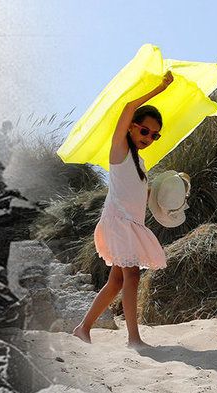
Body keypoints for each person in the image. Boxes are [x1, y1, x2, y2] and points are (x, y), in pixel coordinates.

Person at [74, 71, 174, 348]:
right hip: (118, 221)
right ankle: (133, 338)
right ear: (131, 126)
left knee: (117, 281)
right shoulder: (118, 149)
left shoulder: (140, 162)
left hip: (130, 223)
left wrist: (167, 193)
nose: (148, 137)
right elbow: (128, 107)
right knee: (131, 274)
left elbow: (141, 193)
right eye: (144, 130)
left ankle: (83, 329)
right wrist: (159, 89)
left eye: (154, 135)